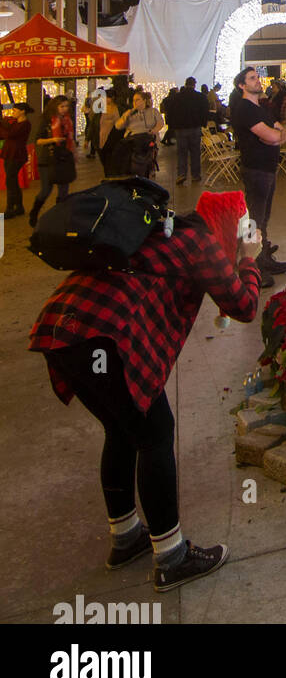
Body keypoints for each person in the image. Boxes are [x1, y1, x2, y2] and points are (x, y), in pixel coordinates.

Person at [28, 188, 261, 592]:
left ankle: (125, 537)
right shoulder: (200, 243)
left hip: (62, 327)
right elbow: (243, 306)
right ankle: (172, 558)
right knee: (154, 435)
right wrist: (249, 262)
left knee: (122, 430)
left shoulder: (161, 228)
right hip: (107, 337)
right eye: (243, 226)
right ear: (229, 225)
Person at [228, 66, 286, 280]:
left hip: (267, 168)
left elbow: (280, 132)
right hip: (256, 169)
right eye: (252, 78)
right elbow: (274, 136)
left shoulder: (260, 108)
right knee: (254, 219)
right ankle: (252, 265)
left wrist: (275, 135)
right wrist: (275, 136)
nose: (258, 81)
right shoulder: (244, 108)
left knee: (262, 218)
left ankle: (263, 257)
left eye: (257, 78)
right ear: (242, 85)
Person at [29, 95, 77, 228]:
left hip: (64, 158)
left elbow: (70, 139)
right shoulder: (47, 120)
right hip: (48, 159)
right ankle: (34, 213)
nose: (64, 109)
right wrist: (53, 140)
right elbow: (38, 140)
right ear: (55, 106)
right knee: (46, 190)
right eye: (62, 106)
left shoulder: (67, 120)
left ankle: (58, 218)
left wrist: (73, 151)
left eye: (66, 106)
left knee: (63, 191)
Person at [117, 91, 164, 179]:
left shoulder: (153, 111)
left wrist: (154, 130)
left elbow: (160, 122)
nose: (135, 102)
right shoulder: (130, 113)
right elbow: (118, 126)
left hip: (148, 139)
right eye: (133, 100)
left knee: (150, 152)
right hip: (133, 140)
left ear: (144, 101)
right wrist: (126, 116)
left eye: (137, 100)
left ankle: (150, 169)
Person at [174, 77, 209, 188]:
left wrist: (173, 125)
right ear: (194, 85)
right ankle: (195, 175)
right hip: (195, 128)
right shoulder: (200, 97)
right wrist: (203, 123)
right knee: (195, 152)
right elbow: (205, 111)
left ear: (185, 84)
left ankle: (181, 174)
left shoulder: (177, 97)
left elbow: (171, 111)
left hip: (180, 128)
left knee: (182, 153)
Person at [2, 102, 33, 220]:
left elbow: (10, 134)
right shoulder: (15, 122)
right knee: (12, 180)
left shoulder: (25, 124)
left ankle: (10, 208)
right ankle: (19, 207)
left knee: (10, 181)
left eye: (15, 110)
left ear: (22, 111)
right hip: (9, 153)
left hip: (17, 154)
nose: (13, 113)